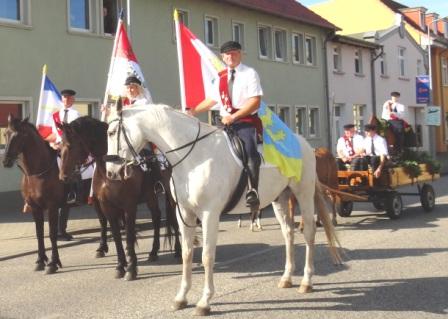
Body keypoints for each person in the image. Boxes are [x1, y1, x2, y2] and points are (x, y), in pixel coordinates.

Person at [188, 40, 263, 210]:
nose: (231, 57)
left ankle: (253, 191)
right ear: (222, 57)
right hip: (223, 123)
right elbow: (212, 100)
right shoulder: (221, 78)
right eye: (227, 54)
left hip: (245, 122)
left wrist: (234, 116)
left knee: (250, 151)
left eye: (234, 53)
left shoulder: (250, 73)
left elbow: (255, 102)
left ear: (240, 54)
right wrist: (193, 111)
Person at [46, 89, 80, 241]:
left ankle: (74, 192)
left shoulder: (76, 114)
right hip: (57, 149)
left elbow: (75, 136)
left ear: (72, 99)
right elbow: (53, 134)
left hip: (69, 150)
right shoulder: (55, 115)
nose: (66, 100)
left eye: (69, 98)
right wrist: (52, 143)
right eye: (64, 97)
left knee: (68, 181)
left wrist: (64, 145)